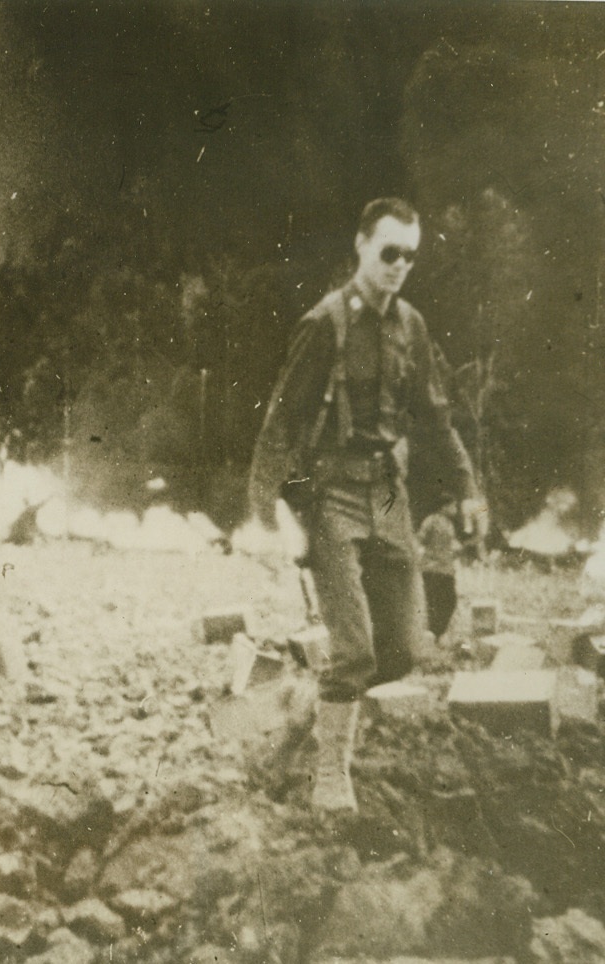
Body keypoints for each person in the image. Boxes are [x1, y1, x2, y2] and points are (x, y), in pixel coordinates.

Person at [249, 197, 485, 813]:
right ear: (361, 247)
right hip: (328, 495)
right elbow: (279, 423)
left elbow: (436, 419)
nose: (399, 265)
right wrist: (263, 517)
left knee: (402, 650)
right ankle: (331, 778)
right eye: (389, 252)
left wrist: (467, 488)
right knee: (353, 645)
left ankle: (320, 701)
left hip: (387, 494)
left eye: (410, 255)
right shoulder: (324, 325)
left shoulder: (412, 326)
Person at [419, 499, 461, 646]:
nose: (456, 508)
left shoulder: (450, 524)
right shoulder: (431, 520)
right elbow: (420, 539)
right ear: (444, 506)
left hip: (446, 569)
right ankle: (434, 634)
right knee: (433, 600)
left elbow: (452, 545)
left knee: (450, 600)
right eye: (453, 505)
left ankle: (438, 632)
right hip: (431, 567)